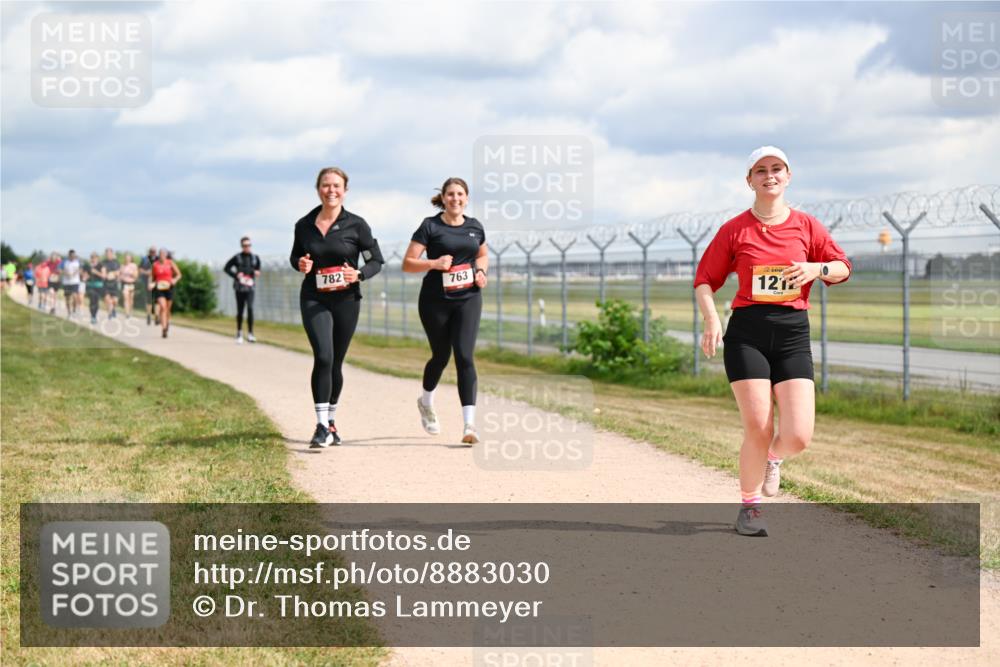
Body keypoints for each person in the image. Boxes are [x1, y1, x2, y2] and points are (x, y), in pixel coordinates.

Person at [694, 146, 851, 537]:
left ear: (788, 176)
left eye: (777, 168)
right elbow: (704, 280)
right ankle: (750, 507)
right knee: (759, 426)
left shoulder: (807, 226)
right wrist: (712, 319)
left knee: (798, 435)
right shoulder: (735, 229)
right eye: (761, 170)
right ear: (750, 180)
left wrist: (816, 268)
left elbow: (842, 268)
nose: (770, 176)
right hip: (747, 333)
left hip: (793, 332)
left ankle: (772, 458)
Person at [290, 166, 384, 448]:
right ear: (318, 189)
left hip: (346, 300)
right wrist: (300, 264)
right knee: (324, 356)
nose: (331, 190)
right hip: (314, 297)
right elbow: (295, 257)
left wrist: (359, 274)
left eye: (336, 186)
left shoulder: (357, 225)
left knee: (336, 362)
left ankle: (331, 422)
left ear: (345, 190)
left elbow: (376, 260)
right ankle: (320, 426)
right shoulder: (304, 225)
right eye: (326, 185)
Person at [402, 177, 488, 445]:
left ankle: (469, 425)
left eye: (460, 194)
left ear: (467, 198)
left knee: (464, 356)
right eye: (450, 194)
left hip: (468, 298)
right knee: (441, 356)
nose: (455, 199)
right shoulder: (430, 226)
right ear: (443, 197)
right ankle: (426, 402)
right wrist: (434, 263)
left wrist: (481, 272)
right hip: (435, 300)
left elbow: (482, 254)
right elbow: (408, 263)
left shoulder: (475, 226)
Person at [224, 236, 262, 343]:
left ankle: (250, 334)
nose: (247, 247)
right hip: (239, 287)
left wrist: (257, 272)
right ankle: (239, 333)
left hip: (250, 287)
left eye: (249, 245)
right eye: (245, 245)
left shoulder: (255, 258)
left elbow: (258, 269)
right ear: (242, 246)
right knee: (240, 310)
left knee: (250, 308)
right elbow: (226, 268)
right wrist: (236, 275)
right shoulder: (237, 257)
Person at [151, 248, 182, 338]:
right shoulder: (155, 265)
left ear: (166, 255)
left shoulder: (170, 263)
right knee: (163, 307)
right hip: (159, 288)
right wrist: (151, 284)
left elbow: (179, 274)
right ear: (159, 255)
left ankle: (167, 323)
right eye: (160, 254)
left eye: (164, 254)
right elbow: (152, 277)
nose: (162, 256)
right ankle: (164, 329)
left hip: (169, 288)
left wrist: (174, 280)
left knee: (168, 310)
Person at [82, 252, 106, 324]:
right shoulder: (87, 266)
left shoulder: (101, 266)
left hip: (98, 286)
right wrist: (85, 277)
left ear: (98, 258)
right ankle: (93, 316)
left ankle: (94, 315)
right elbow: (84, 275)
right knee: (92, 299)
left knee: (96, 301)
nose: (93, 259)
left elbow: (104, 276)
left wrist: (96, 272)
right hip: (90, 285)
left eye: (95, 257)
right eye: (92, 257)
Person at [139, 247, 158, 325]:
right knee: (149, 300)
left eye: (154, 251)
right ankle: (149, 315)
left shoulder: (158, 259)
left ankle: (156, 316)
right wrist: (147, 272)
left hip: (157, 282)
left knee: (157, 300)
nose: (153, 253)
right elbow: (140, 269)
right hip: (147, 282)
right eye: (151, 251)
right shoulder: (144, 259)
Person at [61, 250, 82, 317]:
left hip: (75, 282)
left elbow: (80, 269)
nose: (73, 257)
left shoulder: (78, 261)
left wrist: (75, 273)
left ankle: (74, 310)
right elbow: (60, 269)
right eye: (71, 256)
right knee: (67, 298)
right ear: (69, 255)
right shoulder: (64, 262)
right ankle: (69, 312)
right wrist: (66, 273)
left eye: (74, 256)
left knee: (75, 296)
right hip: (67, 282)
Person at [102, 248, 121, 319]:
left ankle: (113, 309)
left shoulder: (116, 262)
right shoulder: (103, 262)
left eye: (109, 253)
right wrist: (106, 275)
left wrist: (112, 273)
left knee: (115, 301)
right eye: (107, 254)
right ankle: (109, 313)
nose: (108, 255)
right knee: (107, 300)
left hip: (114, 284)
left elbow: (118, 272)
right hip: (106, 284)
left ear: (112, 254)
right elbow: (103, 272)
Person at [119, 253, 139, 318]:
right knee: (125, 298)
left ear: (131, 259)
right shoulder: (122, 266)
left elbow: (136, 276)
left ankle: (130, 310)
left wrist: (131, 273)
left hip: (132, 283)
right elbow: (120, 274)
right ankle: (127, 313)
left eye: (128, 258)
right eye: (126, 258)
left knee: (131, 299)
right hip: (125, 283)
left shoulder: (134, 265)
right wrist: (120, 278)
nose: (127, 259)